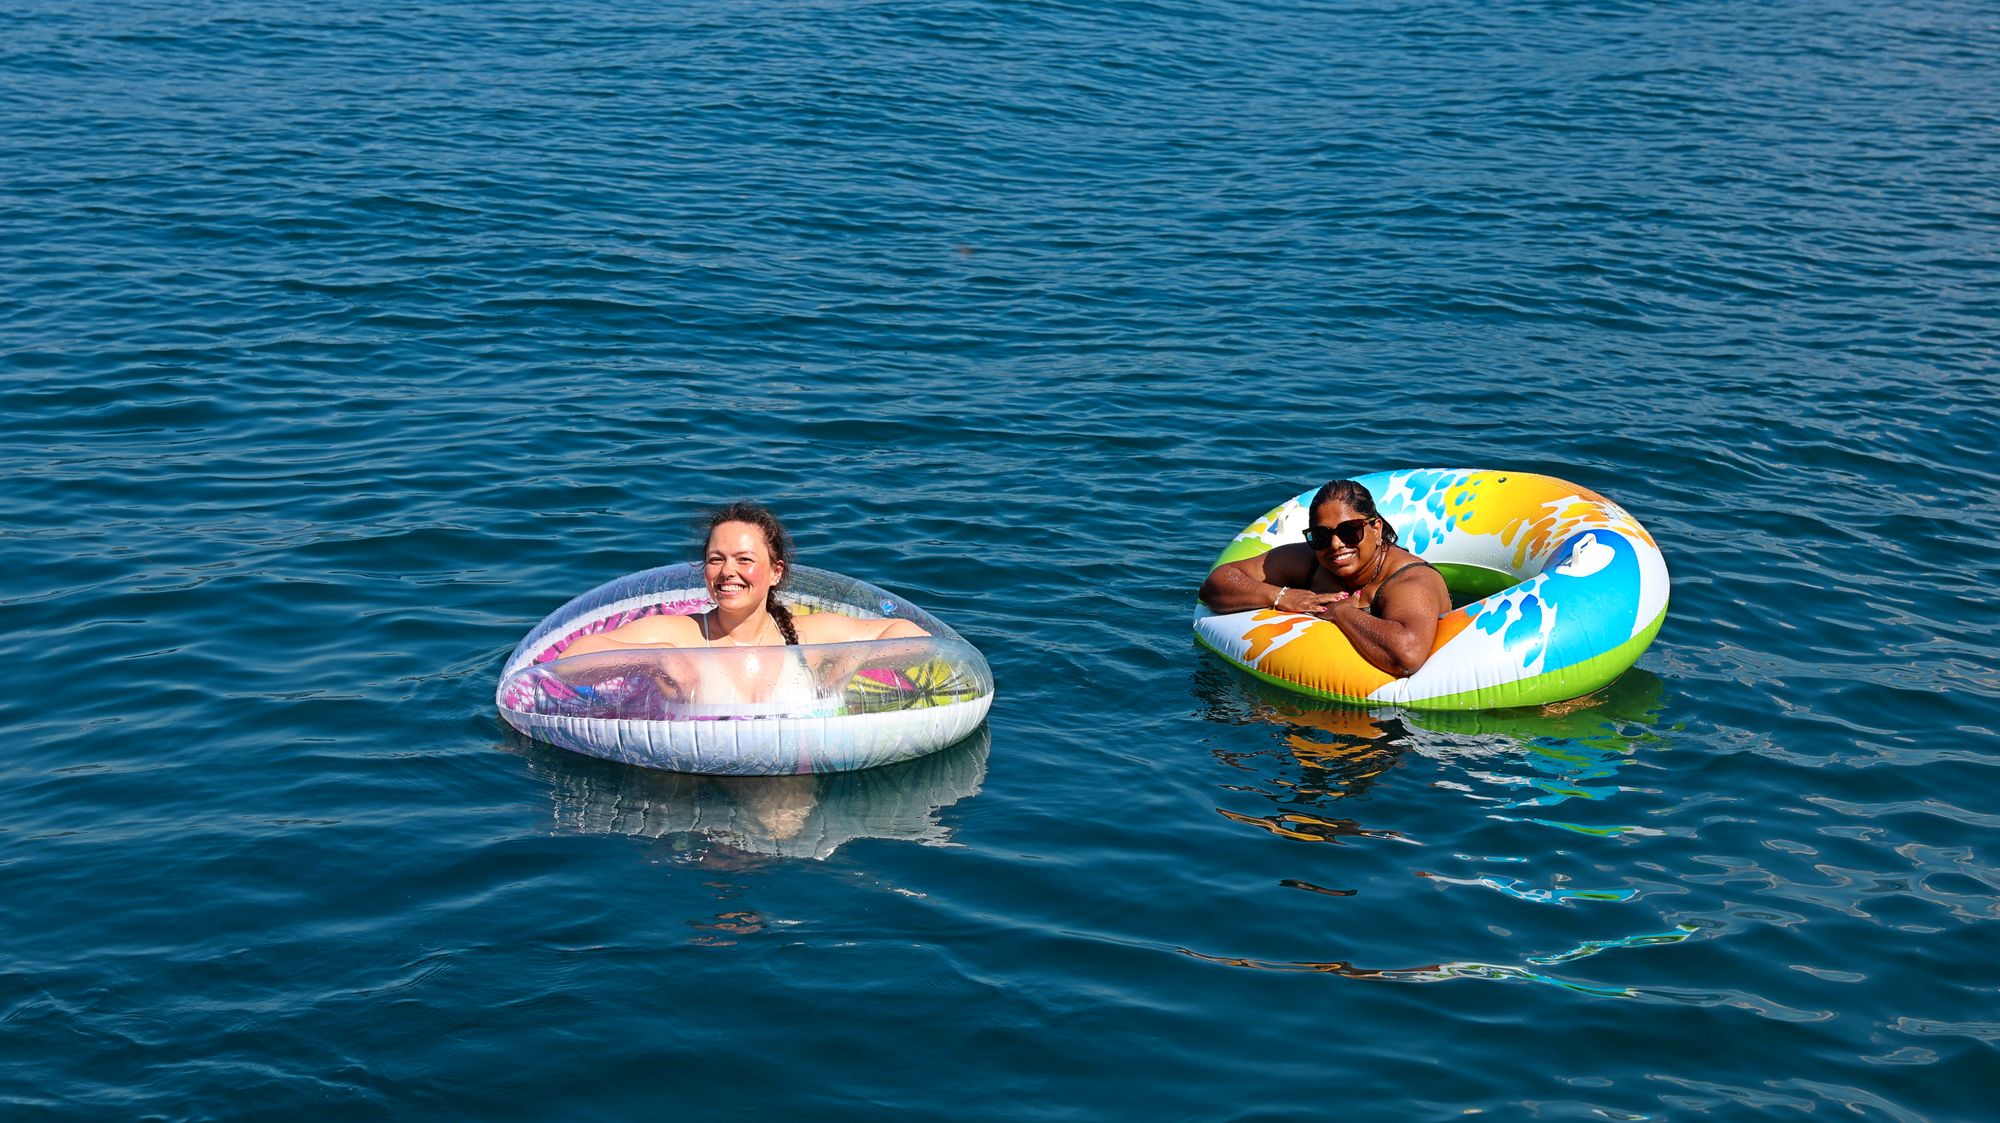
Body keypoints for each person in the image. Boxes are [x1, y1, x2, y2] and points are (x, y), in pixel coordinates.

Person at [556, 502, 928, 710]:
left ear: (775, 572)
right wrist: (656, 659)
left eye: (744, 560)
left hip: (793, 780)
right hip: (695, 779)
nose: (727, 572)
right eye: (715, 559)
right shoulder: (682, 633)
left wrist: (856, 657)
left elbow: (914, 638)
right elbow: (570, 661)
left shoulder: (807, 637)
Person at [1199, 479, 1449, 678]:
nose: (1335, 544)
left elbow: (1407, 656)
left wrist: (1342, 612)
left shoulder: (1410, 581)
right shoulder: (1311, 561)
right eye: (1321, 535)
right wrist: (1281, 596)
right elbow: (1217, 583)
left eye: (1349, 531)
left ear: (1376, 528)